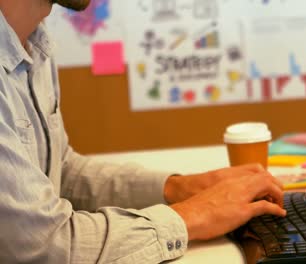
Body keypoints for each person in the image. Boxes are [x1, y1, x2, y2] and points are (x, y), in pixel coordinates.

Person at [0, 0, 286, 263]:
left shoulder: (33, 39)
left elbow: (63, 174)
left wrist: (178, 188)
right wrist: (192, 215)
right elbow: (47, 245)